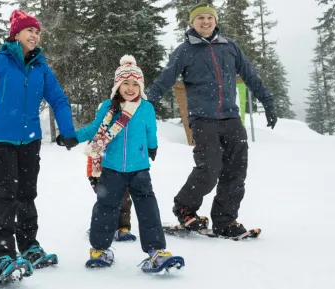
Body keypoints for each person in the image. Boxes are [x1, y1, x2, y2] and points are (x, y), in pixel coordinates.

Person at [0, 10, 78, 278]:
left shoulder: (41, 67)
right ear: (16, 34)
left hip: (30, 140)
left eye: (37, 32)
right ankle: (3, 254)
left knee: (27, 195)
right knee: (7, 194)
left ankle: (29, 245)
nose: (34, 35)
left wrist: (67, 131)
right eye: (29, 30)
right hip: (1, 140)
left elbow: (59, 100)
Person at [147, 3, 277, 238]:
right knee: (209, 169)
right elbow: (165, 79)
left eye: (210, 18)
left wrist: (268, 102)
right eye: (200, 18)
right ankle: (185, 209)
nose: (206, 22)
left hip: (231, 118)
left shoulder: (230, 47)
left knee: (236, 171)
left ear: (215, 21)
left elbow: (250, 75)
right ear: (192, 23)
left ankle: (225, 220)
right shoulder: (184, 51)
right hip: (203, 119)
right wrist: (148, 104)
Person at [59, 55, 183, 271]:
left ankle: (156, 250)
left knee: (147, 207)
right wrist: (72, 137)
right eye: (126, 83)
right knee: (105, 207)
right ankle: (99, 249)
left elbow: (150, 131)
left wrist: (152, 147)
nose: (130, 87)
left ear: (141, 86)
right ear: (117, 85)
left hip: (140, 168)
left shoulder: (146, 108)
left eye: (135, 83)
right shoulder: (109, 107)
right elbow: (94, 130)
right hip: (112, 168)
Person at [87, 157, 136, 242]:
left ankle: (122, 228)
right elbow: (91, 156)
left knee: (125, 200)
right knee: (105, 203)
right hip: (102, 174)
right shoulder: (96, 144)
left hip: (123, 172)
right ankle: (100, 227)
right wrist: (91, 177)